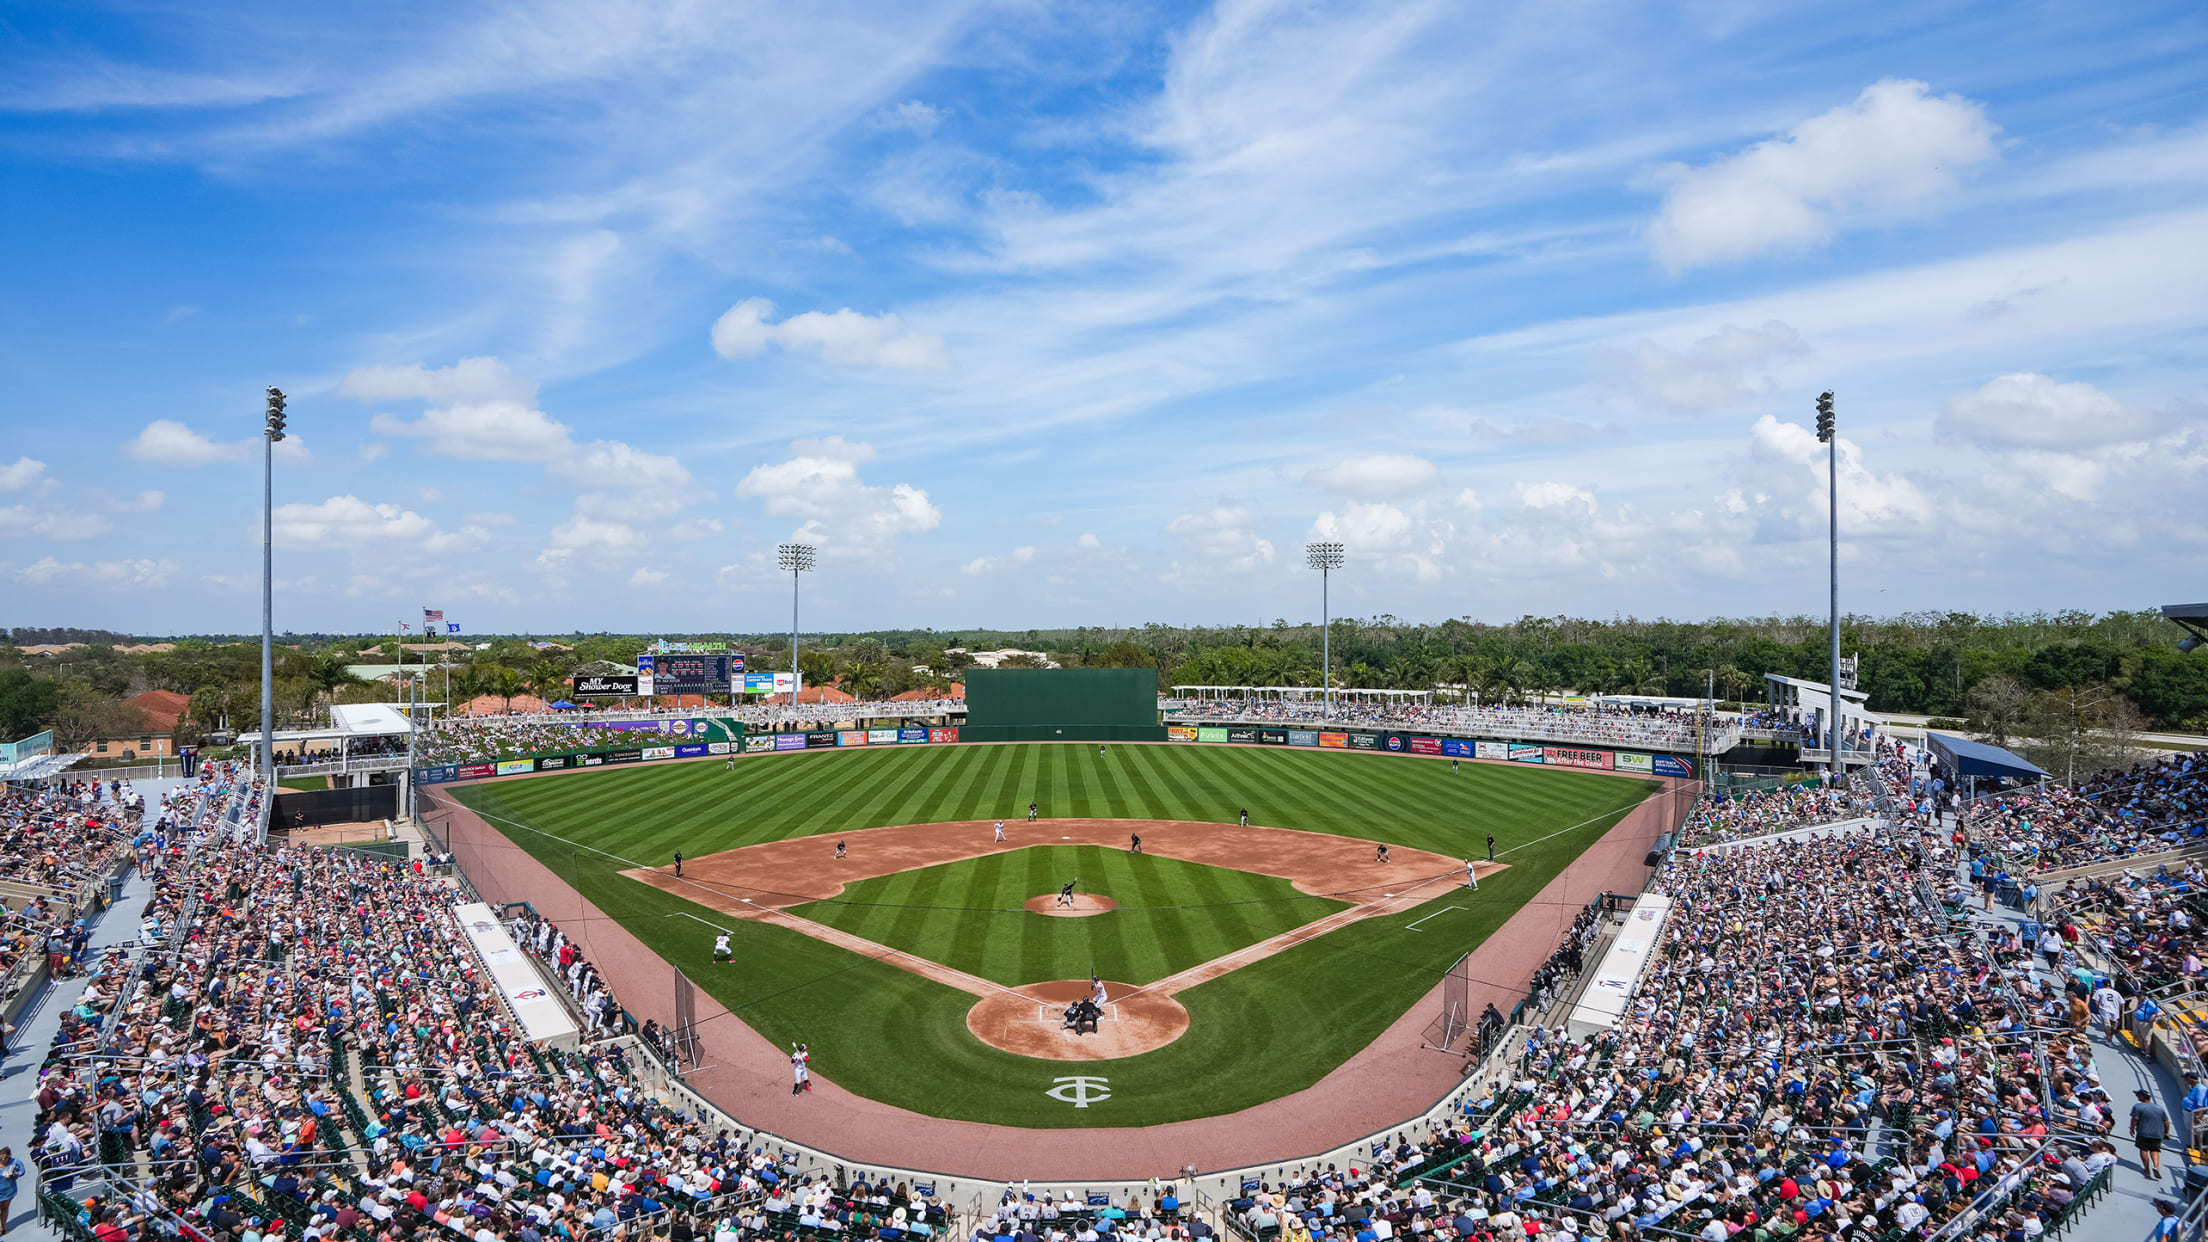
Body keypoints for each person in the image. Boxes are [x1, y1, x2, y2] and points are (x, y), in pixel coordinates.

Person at [2132, 1088, 2170, 1180]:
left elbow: (2134, 1120)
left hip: (2143, 1133)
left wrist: (2132, 1129)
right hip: (2157, 1134)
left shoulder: (2138, 1107)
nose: (2136, 1096)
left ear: (2142, 1097)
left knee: (2143, 1150)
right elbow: (2166, 1122)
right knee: (2155, 1151)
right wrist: (2166, 1133)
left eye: (2137, 1095)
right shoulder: (2159, 1108)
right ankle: (2156, 1167)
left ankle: (2147, 1170)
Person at [0, 1146, 22, 1235]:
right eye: (1, 1158)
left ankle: (3, 1228)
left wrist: (15, 1174)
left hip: (8, 1191)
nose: (3, 1160)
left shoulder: (15, 1162)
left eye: (5, 1158)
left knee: (5, 1208)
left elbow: (22, 1171)